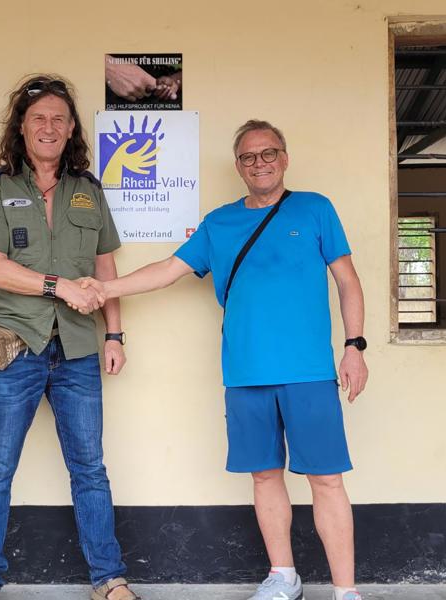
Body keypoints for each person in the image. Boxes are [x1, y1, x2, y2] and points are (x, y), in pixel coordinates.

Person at [80, 120, 369, 600]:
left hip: (309, 372)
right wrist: (106, 288)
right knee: (264, 475)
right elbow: (168, 270)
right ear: (238, 165)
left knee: (326, 479)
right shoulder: (219, 223)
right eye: (249, 156)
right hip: (245, 373)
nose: (260, 162)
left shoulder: (315, 209)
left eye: (269, 152)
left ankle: (345, 590)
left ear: (285, 157)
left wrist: (354, 347)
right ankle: (283, 577)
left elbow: (348, 281)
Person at [0, 74, 139, 600]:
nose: (48, 126)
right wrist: (57, 286)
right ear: (22, 127)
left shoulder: (89, 191)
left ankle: (109, 579)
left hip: (81, 350)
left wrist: (116, 334)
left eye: (58, 119)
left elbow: (105, 271)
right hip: (14, 348)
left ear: (70, 131)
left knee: (90, 468)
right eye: (38, 117)